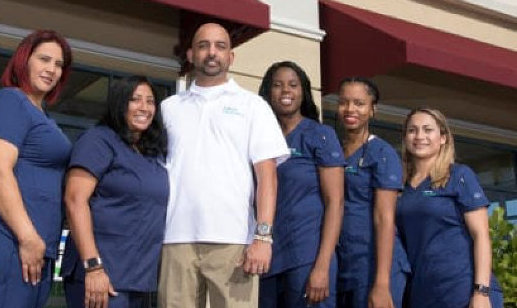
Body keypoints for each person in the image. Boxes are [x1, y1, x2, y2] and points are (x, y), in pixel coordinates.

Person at [158, 22, 290, 308]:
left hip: (234, 240)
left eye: (220, 46)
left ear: (231, 57)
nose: (212, 52)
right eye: (203, 45)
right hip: (176, 238)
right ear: (191, 54)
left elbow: (267, 177)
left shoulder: (253, 106)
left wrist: (263, 238)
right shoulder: (168, 108)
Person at [0, 29, 73, 308]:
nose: (52, 69)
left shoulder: (42, 114)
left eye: (59, 64)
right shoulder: (10, 101)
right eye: (44, 59)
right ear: (24, 60)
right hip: (8, 240)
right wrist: (28, 237)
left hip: (36, 247)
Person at [62, 76, 169, 308]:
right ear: (120, 104)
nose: (144, 107)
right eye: (135, 100)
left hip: (138, 278)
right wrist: (93, 267)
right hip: (102, 274)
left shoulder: (150, 153)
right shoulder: (98, 140)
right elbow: (74, 200)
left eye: (150, 101)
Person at [257, 61, 344, 308]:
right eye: (278, 85)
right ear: (268, 93)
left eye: (293, 85)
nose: (286, 91)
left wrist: (323, 266)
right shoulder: (261, 136)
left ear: (303, 91)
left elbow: (335, 203)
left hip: (307, 257)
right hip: (268, 259)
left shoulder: (320, 135)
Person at [396, 107, 503, 308]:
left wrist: (481, 292)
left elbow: (481, 235)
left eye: (428, 130)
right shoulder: (402, 187)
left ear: (443, 138)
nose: (419, 136)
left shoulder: (459, 176)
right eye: (412, 130)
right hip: (423, 293)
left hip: (463, 290)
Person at [335, 77, 409, 308]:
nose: (350, 109)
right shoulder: (333, 151)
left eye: (359, 103)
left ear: (372, 110)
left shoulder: (381, 153)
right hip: (344, 263)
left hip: (375, 266)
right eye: (344, 102)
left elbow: (385, 218)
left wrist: (382, 283)